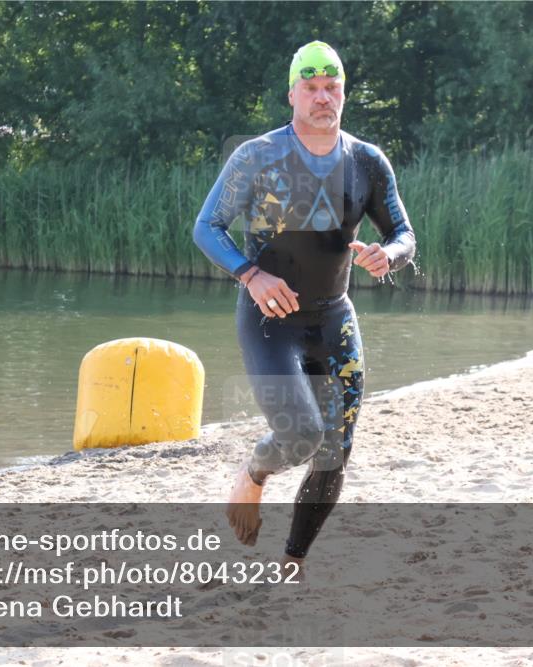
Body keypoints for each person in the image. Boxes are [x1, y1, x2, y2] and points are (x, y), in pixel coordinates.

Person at [192, 41, 416, 577]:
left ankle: (292, 562)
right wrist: (251, 274)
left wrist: (388, 254)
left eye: (331, 86)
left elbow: (405, 234)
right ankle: (253, 471)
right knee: (299, 435)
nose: (322, 97)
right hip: (270, 319)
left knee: (334, 450)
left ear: (343, 93)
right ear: (292, 94)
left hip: (334, 319)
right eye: (310, 87)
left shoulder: (366, 161)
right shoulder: (258, 156)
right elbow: (207, 227)